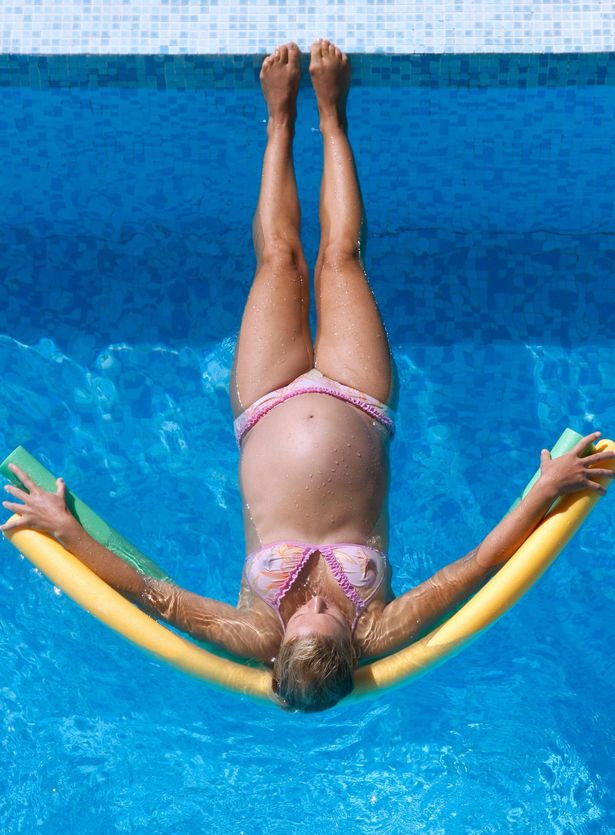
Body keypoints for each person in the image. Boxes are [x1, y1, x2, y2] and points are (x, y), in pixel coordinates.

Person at [2, 41, 614, 712]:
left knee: (278, 260)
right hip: (360, 401)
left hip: (264, 405)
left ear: (279, 644)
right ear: (352, 648)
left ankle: (279, 121)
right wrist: (542, 488)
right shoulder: (378, 627)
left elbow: (151, 594)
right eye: (329, 614)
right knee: (342, 260)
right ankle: (331, 115)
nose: (318, 600)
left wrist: (67, 532)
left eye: (307, 612)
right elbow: (476, 567)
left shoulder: (254, 631)